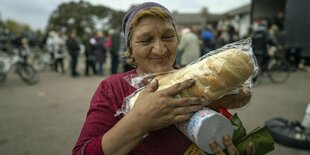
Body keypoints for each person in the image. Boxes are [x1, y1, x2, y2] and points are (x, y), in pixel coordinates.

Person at [73, 2, 254, 155]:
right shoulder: (113, 88)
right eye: (145, 40)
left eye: (168, 37)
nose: (160, 49)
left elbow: (219, 135)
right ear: (130, 49)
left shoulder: (201, 83)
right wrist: (139, 122)